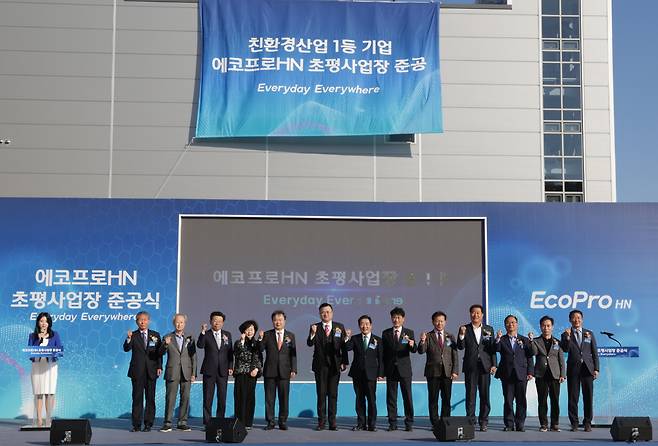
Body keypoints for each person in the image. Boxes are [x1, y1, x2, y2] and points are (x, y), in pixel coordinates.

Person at [306, 303, 349, 431]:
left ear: (332, 313)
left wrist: (344, 362)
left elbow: (343, 347)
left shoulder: (339, 327)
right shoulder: (315, 327)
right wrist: (312, 334)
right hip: (320, 366)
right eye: (323, 312)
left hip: (335, 366)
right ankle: (321, 422)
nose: (325, 314)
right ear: (320, 314)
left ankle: (332, 421)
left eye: (328, 312)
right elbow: (309, 343)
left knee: (333, 394)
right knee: (321, 393)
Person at [456, 303, 497, 432]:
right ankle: (470, 421)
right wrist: (461, 335)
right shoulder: (464, 328)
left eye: (478, 313)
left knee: (485, 395)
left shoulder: (488, 329)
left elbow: (492, 349)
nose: (475, 315)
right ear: (470, 314)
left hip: (485, 366)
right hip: (470, 367)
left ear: (482, 315)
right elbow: (460, 346)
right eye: (473, 312)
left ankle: (483, 421)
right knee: (470, 395)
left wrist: (494, 364)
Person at [560, 309, 599, 432]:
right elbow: (565, 349)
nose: (576, 320)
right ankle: (574, 423)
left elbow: (594, 353)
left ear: (582, 319)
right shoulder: (565, 334)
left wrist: (596, 368)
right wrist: (566, 338)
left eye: (578, 317)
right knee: (573, 397)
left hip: (588, 369)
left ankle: (587, 422)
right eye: (574, 318)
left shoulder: (589, 333)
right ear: (570, 320)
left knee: (588, 397)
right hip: (573, 369)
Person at [123, 311, 162, 432]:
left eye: (145, 319)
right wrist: (128, 339)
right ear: (136, 322)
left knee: (150, 398)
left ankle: (148, 424)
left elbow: (159, 353)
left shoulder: (155, 335)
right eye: (140, 320)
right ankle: (136, 425)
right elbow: (126, 349)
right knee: (137, 398)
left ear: (149, 321)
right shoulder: (133, 335)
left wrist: (159, 366)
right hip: (137, 371)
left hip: (151, 371)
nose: (143, 322)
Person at [417, 311, 459, 426]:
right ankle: (435, 423)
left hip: (447, 372)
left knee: (446, 399)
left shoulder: (450, 336)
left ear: (445, 322)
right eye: (437, 321)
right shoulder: (428, 336)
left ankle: (445, 422)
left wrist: (455, 371)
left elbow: (454, 354)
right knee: (433, 399)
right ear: (433, 322)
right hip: (433, 372)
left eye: (441, 321)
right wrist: (422, 341)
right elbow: (421, 351)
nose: (439, 323)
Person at [494, 315, 534, 432]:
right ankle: (509, 424)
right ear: (505, 325)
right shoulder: (502, 339)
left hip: (521, 373)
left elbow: (530, 355)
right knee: (508, 400)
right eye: (508, 323)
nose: (510, 324)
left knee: (521, 400)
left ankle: (520, 423)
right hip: (506, 374)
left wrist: (530, 371)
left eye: (513, 322)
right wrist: (497, 338)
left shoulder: (524, 339)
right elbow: (496, 349)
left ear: (517, 324)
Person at [258, 310, 297, 430]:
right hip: (270, 371)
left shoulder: (290, 335)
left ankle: (282, 421)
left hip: (285, 371)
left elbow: (293, 354)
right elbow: (260, 349)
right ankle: (270, 421)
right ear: (272, 321)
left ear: (284, 321)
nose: (278, 322)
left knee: (284, 398)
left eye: (280, 320)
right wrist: (260, 339)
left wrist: (294, 369)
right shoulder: (267, 334)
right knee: (269, 399)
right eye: (275, 320)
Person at [158, 313, 197, 432]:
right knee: (170, 398)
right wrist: (165, 344)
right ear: (174, 323)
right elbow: (159, 353)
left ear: (185, 324)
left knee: (185, 397)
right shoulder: (167, 337)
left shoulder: (190, 338)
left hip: (186, 371)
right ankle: (167, 423)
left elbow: (193, 356)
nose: (179, 324)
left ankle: (182, 422)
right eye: (177, 322)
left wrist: (193, 373)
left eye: (181, 322)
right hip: (172, 371)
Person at [345, 315, 384, 432]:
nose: (364, 326)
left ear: (371, 325)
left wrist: (381, 373)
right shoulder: (355, 338)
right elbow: (347, 348)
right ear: (359, 326)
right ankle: (361, 424)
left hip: (372, 374)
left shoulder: (377, 340)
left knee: (372, 400)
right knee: (359, 399)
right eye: (362, 324)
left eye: (367, 324)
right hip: (357, 374)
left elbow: (381, 358)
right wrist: (347, 337)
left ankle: (372, 424)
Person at [382, 306, 416, 431]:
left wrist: (412, 344)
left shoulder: (409, 332)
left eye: (398, 317)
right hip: (390, 369)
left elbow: (414, 349)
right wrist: (382, 371)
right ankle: (392, 423)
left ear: (403, 319)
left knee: (407, 396)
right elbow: (383, 353)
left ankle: (409, 423)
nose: (396, 320)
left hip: (404, 369)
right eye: (394, 317)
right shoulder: (386, 333)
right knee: (391, 397)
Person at [197, 311, 234, 426]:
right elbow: (200, 345)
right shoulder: (206, 334)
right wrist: (202, 332)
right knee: (208, 398)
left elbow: (230, 352)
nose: (217, 323)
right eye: (215, 320)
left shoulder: (227, 335)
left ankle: (219, 422)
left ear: (223, 323)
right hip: (209, 370)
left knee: (222, 398)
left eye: (219, 321)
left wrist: (230, 367)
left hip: (223, 371)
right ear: (210, 321)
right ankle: (207, 422)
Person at [529, 315, 565, 432]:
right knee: (542, 401)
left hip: (555, 375)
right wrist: (530, 341)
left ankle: (555, 424)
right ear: (540, 327)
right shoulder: (536, 341)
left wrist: (562, 374)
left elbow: (561, 359)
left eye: (548, 326)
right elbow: (533, 353)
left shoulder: (557, 342)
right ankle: (543, 424)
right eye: (544, 325)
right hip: (541, 375)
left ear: (552, 327)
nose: (546, 328)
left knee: (555, 400)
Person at [28, 312, 63, 427]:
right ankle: (39, 419)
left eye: (46, 321)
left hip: (50, 367)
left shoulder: (55, 335)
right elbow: (30, 354)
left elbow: (59, 351)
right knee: (38, 393)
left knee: (50, 392)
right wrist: (39, 340)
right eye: (41, 321)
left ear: (49, 323)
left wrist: (52, 353)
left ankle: (48, 418)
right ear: (38, 322)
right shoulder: (32, 336)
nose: (44, 324)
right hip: (38, 366)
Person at [233, 320, 262, 430]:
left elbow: (259, 358)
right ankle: (239, 421)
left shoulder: (257, 343)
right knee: (239, 397)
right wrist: (242, 341)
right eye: (248, 329)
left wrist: (257, 369)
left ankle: (248, 422)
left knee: (250, 398)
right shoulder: (238, 342)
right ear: (243, 331)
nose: (250, 331)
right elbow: (238, 353)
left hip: (252, 374)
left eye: (252, 329)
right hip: (241, 373)